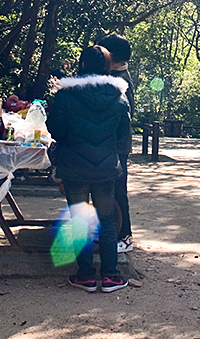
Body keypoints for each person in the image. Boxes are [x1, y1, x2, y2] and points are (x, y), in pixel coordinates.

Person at [47, 45, 131, 293]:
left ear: (82, 65)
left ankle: (84, 275)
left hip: (74, 166)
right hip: (106, 168)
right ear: (108, 66)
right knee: (106, 220)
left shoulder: (66, 94)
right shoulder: (119, 95)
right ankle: (110, 276)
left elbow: (56, 129)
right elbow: (123, 133)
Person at [97, 33, 136, 254]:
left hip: (117, 146)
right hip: (112, 145)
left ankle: (125, 235)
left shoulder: (121, 81)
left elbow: (122, 117)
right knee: (110, 190)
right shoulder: (114, 75)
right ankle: (112, 231)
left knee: (118, 191)